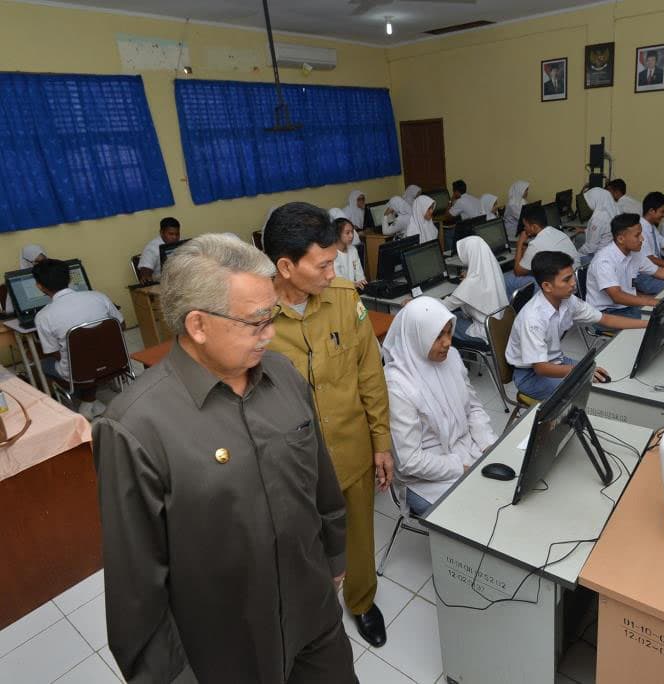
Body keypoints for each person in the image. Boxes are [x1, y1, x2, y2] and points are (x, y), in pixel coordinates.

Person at [92, 234, 358, 684]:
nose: (270, 333)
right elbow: (136, 587)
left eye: (271, 315)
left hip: (313, 615)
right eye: (256, 322)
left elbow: (321, 484)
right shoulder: (135, 427)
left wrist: (334, 559)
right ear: (198, 325)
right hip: (226, 645)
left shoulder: (284, 377)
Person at [262, 203, 394, 649]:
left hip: (351, 446)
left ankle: (361, 601)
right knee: (298, 544)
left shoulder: (343, 298)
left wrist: (381, 441)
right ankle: (310, 612)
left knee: (357, 533)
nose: (331, 271)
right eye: (322, 264)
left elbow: (369, 374)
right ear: (285, 265)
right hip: (291, 466)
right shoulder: (254, 319)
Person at [383, 297, 498, 515]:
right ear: (416, 337)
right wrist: (462, 468)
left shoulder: (452, 357)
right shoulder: (397, 386)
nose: (447, 342)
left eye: (448, 332)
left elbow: (473, 408)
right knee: (484, 513)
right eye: (438, 336)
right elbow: (409, 462)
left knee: (504, 496)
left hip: (468, 451)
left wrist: (487, 444)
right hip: (426, 479)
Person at [507, 250, 647, 400]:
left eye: (572, 275)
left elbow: (605, 319)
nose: (573, 283)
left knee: (607, 376)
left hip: (556, 361)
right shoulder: (533, 319)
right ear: (547, 286)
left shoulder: (567, 300)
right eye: (566, 280)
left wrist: (647, 323)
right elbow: (541, 368)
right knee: (593, 395)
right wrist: (579, 371)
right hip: (531, 375)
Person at [32, 258, 123, 419]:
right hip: (116, 362)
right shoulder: (98, 297)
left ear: (39, 286)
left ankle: (69, 407)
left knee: (41, 362)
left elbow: (53, 353)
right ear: (70, 278)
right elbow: (121, 325)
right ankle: (90, 400)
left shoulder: (43, 316)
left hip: (79, 373)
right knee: (89, 354)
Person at [586, 213, 664, 317]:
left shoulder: (634, 253)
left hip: (626, 307)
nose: (642, 239)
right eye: (637, 235)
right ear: (621, 239)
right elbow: (617, 296)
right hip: (607, 313)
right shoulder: (604, 261)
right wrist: (651, 301)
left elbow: (659, 272)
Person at [444, 235, 508, 346]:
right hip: (501, 326)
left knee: (445, 322)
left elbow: (445, 305)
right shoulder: (495, 271)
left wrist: (419, 301)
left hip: (485, 332)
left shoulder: (470, 283)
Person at [505, 204, 580, 295]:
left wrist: (519, 243)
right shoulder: (557, 232)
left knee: (505, 278)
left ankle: (512, 308)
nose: (524, 229)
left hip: (561, 290)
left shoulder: (536, 244)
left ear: (534, 227)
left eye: (525, 226)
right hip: (576, 283)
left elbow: (518, 271)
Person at [578, 186, 621, 260]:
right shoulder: (614, 210)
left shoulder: (599, 218)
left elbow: (590, 248)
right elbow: (603, 232)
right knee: (579, 239)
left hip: (597, 257)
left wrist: (575, 254)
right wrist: (585, 230)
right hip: (611, 254)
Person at [137, 216, 181, 284]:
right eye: (171, 234)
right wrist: (146, 276)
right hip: (162, 283)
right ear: (161, 232)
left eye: (177, 234)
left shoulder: (180, 243)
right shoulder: (152, 248)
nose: (174, 237)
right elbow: (145, 268)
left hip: (180, 280)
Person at [4, 244, 46, 312]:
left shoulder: (51, 274)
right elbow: (10, 310)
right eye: (37, 262)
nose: (42, 265)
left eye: (44, 260)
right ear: (26, 261)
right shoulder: (16, 281)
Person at [332, 217, 366, 289]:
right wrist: (353, 285)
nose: (351, 236)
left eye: (352, 232)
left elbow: (359, 274)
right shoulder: (331, 253)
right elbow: (338, 282)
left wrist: (362, 283)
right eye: (347, 233)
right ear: (337, 234)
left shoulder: (353, 250)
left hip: (354, 291)